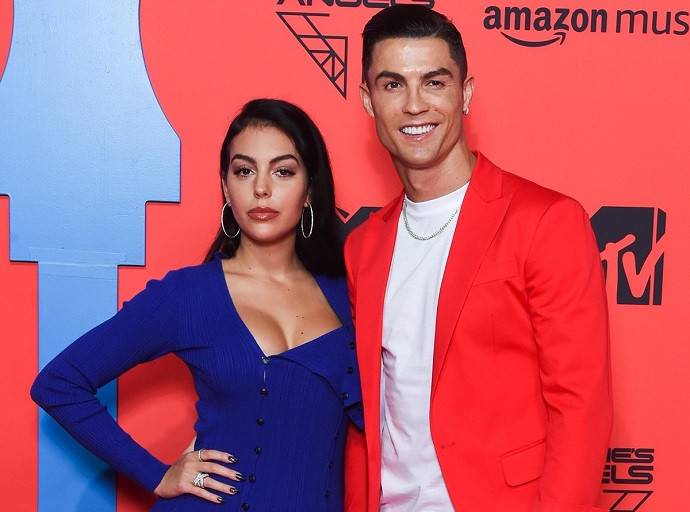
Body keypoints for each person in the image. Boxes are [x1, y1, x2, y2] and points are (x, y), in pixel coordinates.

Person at [31, 98, 362, 511]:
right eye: (244, 171)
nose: (261, 188)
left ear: (309, 188)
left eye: (282, 171)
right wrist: (156, 474)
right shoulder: (189, 295)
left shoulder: (350, 294)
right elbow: (58, 384)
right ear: (226, 187)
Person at [343, 6, 612, 512]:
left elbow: (580, 405)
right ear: (367, 100)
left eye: (434, 82)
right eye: (393, 85)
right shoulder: (363, 246)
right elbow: (369, 411)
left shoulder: (545, 221)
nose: (415, 105)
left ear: (465, 94)